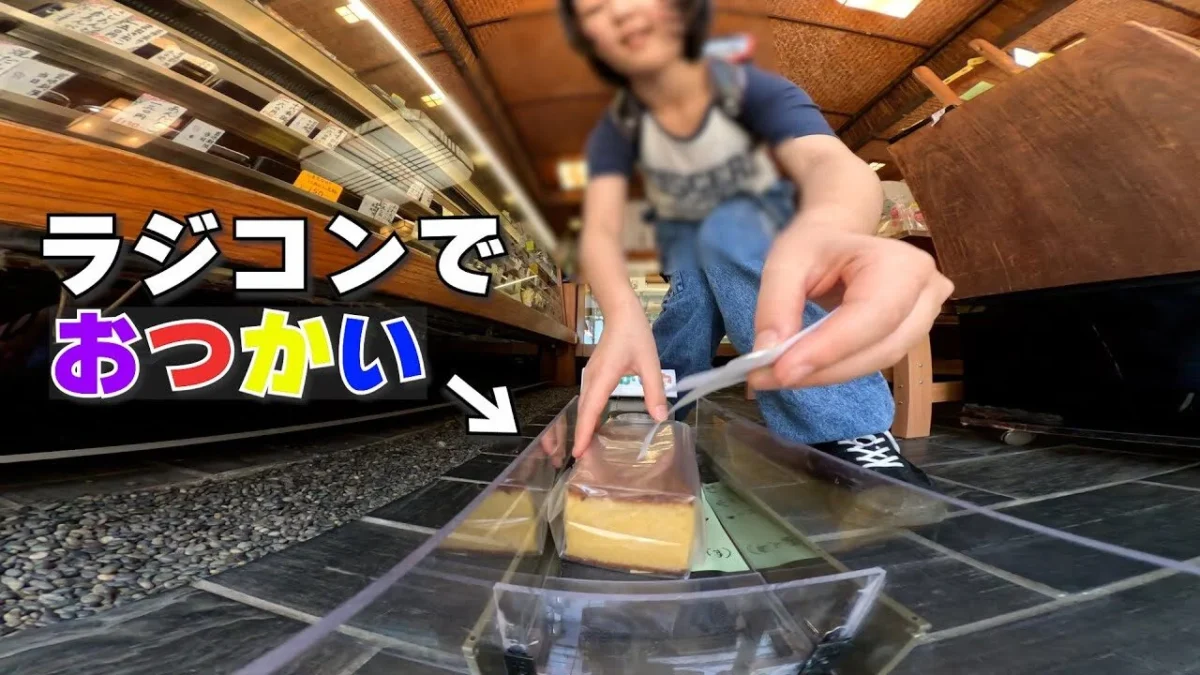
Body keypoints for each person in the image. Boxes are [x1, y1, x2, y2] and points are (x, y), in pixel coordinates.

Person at [560, 0, 954, 488]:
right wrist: (621, 311)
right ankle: (655, 404)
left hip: (774, 240)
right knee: (691, 299)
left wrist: (831, 231)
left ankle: (843, 427)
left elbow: (828, 161)